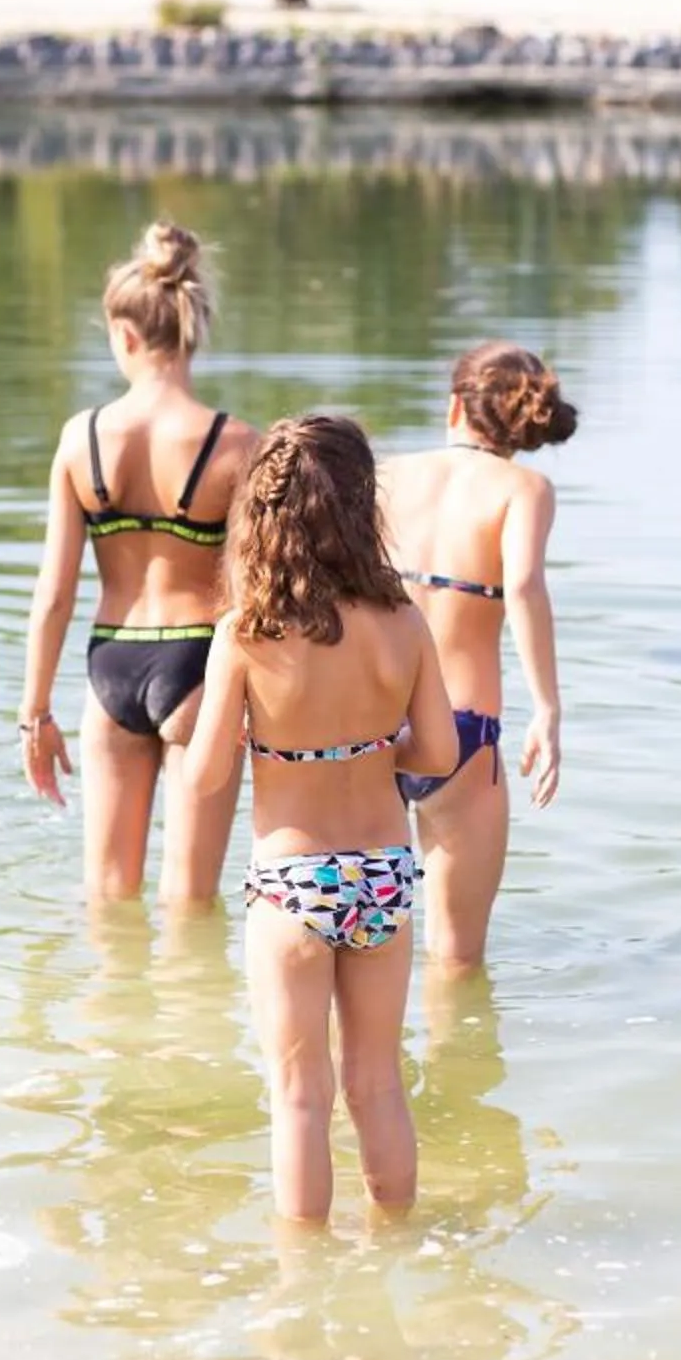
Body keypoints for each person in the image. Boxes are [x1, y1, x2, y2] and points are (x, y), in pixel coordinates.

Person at [186, 416, 458, 1225]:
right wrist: (368, 750)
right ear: (361, 506)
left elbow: (203, 778)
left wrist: (262, 738)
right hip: (383, 875)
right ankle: (399, 1240)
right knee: (376, 1083)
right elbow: (437, 751)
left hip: (291, 884)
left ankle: (303, 1286)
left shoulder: (245, 634)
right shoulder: (403, 621)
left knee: (301, 1097)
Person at [18, 221, 256, 906]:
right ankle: (191, 1014)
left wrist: (34, 713)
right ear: (192, 331)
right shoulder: (238, 444)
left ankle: (108, 1013)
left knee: (107, 898)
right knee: (190, 903)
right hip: (197, 667)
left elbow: (55, 592)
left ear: (124, 336)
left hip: (110, 667)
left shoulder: (80, 439)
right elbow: (253, 591)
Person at [377, 342, 576, 969]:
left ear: (455, 404)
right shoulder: (525, 488)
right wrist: (547, 710)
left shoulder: (386, 474)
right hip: (464, 732)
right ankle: (453, 1058)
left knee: (360, 943)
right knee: (457, 962)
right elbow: (522, 587)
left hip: (372, 721)